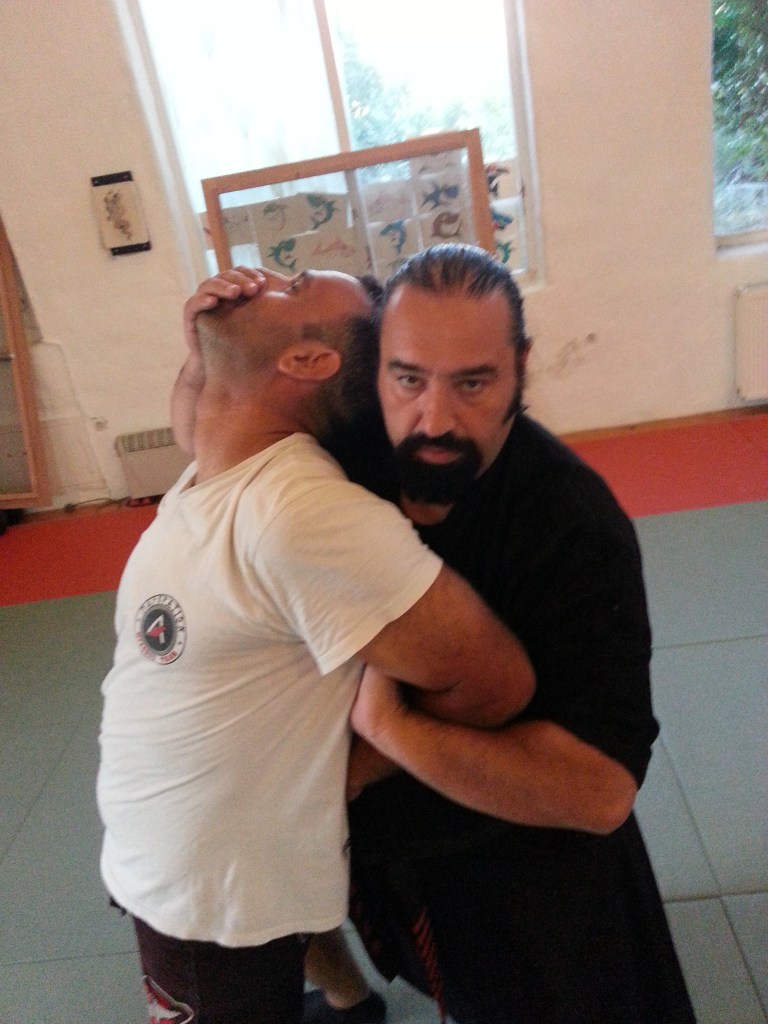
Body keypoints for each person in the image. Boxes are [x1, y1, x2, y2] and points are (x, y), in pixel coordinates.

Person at [184, 245, 696, 1024]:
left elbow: (600, 793)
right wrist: (205, 352)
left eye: (473, 383)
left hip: (522, 864)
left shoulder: (574, 527)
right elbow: (209, 446)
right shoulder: (349, 444)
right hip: (385, 857)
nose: (434, 419)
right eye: (408, 379)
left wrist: (387, 733)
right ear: (377, 367)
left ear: (521, 367)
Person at [97, 266, 536, 1024]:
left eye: (291, 284)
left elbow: (493, 682)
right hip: (182, 839)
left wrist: (352, 766)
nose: (255, 279)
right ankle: (348, 999)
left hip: (204, 896)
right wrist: (201, 355)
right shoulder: (226, 464)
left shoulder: (299, 516)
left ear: (307, 361)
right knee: (292, 942)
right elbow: (195, 427)